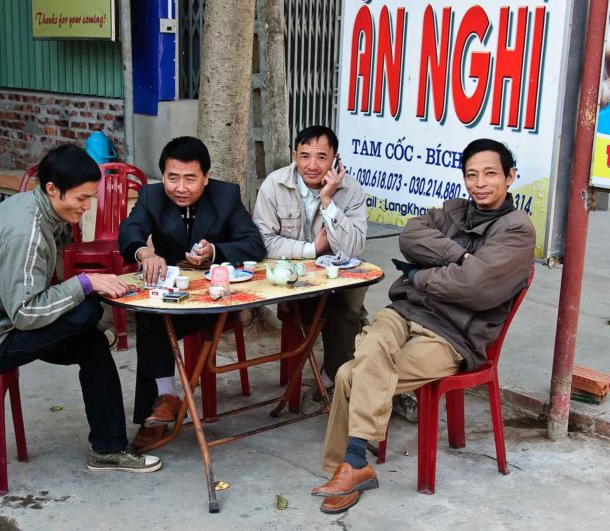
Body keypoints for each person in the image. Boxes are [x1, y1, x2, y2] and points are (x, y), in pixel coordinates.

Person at [311, 138, 535, 514]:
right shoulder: (453, 211)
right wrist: (460, 256)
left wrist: (419, 276)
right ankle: (353, 467)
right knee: (373, 343)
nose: (480, 183)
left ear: (510, 177)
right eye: (472, 175)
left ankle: (348, 466)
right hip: (407, 312)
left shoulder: (516, 230)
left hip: (453, 335)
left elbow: (476, 287)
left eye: (491, 174)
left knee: (352, 373)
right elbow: (410, 235)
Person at [0, 144, 161, 473]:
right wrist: (86, 283)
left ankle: (108, 449)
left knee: (92, 342)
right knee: (86, 311)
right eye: (81, 199)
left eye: (90, 198)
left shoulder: (31, 207)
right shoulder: (25, 232)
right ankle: (108, 447)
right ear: (52, 189)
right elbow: (25, 314)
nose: (86, 208)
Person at [118, 136, 267, 449]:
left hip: (216, 299)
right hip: (173, 293)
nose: (180, 188)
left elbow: (254, 243)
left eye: (190, 178)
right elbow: (129, 232)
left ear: (206, 177)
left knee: (155, 320)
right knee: (150, 313)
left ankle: (159, 408)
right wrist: (145, 254)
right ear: (164, 176)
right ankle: (165, 399)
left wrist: (215, 251)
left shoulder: (226, 196)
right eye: (172, 178)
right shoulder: (151, 196)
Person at [252, 125, 369, 405]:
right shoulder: (274, 184)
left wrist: (328, 201)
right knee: (328, 310)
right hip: (290, 277)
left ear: (335, 159)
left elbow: (353, 248)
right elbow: (262, 241)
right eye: (304, 156)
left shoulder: (350, 190)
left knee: (349, 302)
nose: (312, 166)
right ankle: (342, 374)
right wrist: (311, 249)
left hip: (336, 276)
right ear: (294, 155)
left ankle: (332, 377)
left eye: (321, 157)